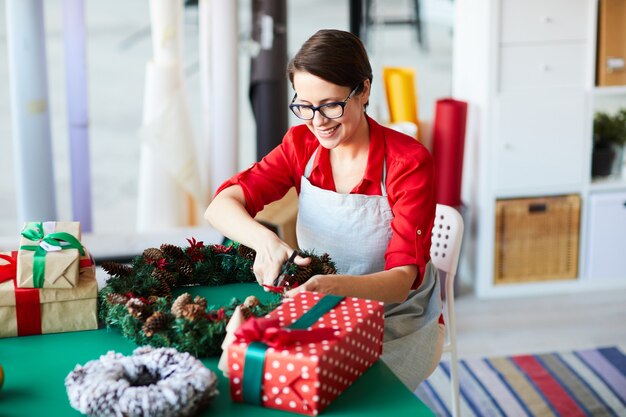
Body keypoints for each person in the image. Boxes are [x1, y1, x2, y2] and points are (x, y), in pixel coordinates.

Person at [205, 29, 443, 390]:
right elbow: (221, 206)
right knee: (261, 372)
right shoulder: (301, 144)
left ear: (363, 90)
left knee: (319, 387)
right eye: (304, 106)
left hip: (393, 316)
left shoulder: (407, 163)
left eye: (331, 105)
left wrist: (327, 288)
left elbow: (400, 283)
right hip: (317, 300)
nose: (317, 121)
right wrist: (266, 242)